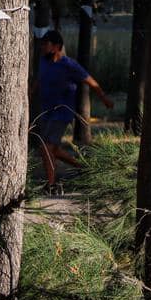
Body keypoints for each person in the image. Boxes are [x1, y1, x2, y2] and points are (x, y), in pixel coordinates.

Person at [34, 30, 113, 189]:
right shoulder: (43, 61)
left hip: (61, 112)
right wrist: (29, 94)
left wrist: (104, 98)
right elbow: (38, 80)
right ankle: (85, 168)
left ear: (56, 47)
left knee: (46, 148)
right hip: (46, 111)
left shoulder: (69, 65)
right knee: (53, 149)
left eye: (46, 43)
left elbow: (91, 81)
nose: (42, 46)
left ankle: (51, 184)